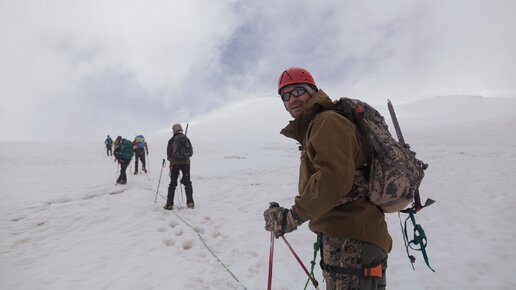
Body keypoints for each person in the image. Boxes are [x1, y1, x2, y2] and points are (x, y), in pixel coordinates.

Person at [263, 67, 392, 290]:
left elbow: (333, 179)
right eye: (285, 95)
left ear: (312, 90)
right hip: (359, 237)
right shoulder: (320, 124)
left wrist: (291, 217)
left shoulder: (327, 121)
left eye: (297, 91)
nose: (291, 99)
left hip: (350, 241)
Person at [164, 123, 194, 210]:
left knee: (172, 183)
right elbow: (191, 153)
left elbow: (168, 154)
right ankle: (190, 202)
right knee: (188, 182)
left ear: (173, 130)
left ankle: (169, 204)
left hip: (174, 164)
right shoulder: (186, 138)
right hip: (186, 163)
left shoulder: (171, 140)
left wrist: (172, 161)